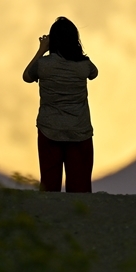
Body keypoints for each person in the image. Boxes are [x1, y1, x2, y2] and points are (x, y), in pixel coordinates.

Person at [22, 16, 98, 192]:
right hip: (79, 131)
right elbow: (94, 73)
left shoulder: (43, 65)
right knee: (80, 188)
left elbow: (27, 76)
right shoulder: (84, 65)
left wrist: (41, 50)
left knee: (49, 185)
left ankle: (49, 218)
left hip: (49, 129)